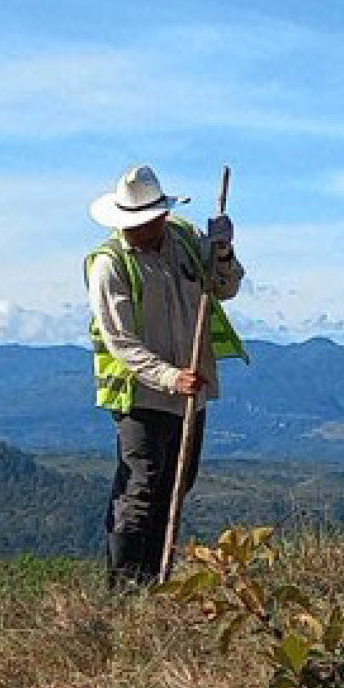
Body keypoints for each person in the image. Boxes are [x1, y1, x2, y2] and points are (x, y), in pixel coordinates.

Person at [85, 164, 248, 587]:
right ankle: (124, 586)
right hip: (140, 394)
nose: (147, 228)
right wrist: (169, 376)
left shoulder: (185, 240)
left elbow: (224, 288)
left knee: (179, 481)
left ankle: (157, 579)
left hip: (191, 389)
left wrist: (223, 251)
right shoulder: (110, 265)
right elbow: (120, 340)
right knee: (142, 485)